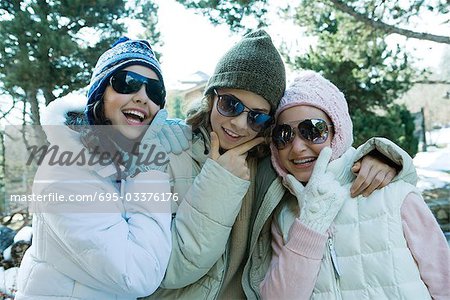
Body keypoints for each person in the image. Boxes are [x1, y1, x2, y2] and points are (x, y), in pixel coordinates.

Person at [145, 30, 417, 300]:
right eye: (230, 104)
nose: (239, 123)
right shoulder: (168, 151)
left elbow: (334, 166)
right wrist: (218, 181)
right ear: (211, 98)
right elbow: (165, 269)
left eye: (258, 117)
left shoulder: (273, 167)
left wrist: (383, 159)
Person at [260, 71, 449, 299]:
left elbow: (443, 283)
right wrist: (310, 224)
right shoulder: (284, 215)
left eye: (313, 130)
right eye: (284, 134)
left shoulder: (394, 193)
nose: (298, 146)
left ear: (337, 132)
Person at [16, 37, 177, 299]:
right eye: (127, 83)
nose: (142, 97)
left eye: (155, 91)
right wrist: (150, 167)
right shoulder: (66, 170)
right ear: (100, 94)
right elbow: (138, 273)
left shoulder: (119, 160)